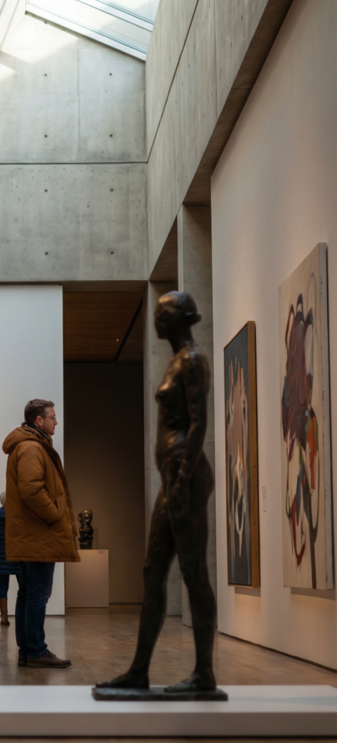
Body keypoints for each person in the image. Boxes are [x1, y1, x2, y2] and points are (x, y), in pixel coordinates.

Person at [97, 292, 218, 694]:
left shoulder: (194, 360)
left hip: (185, 477)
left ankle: (203, 675)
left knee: (193, 573)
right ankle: (139, 672)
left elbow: (198, 425)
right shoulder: (177, 360)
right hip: (173, 479)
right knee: (153, 571)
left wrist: (182, 481)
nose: (156, 319)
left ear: (179, 318)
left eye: (163, 313)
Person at [3, 399, 79, 668]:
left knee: (29, 593)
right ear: (39, 421)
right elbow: (32, 489)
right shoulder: (32, 447)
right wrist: (55, 515)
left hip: (32, 534)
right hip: (39, 534)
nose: (56, 421)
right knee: (37, 594)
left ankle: (28, 650)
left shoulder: (29, 445)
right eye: (53, 417)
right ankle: (35, 651)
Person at [0, 492, 19, 625]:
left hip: (1, 556)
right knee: (23, 586)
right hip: (17, 555)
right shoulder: (17, 517)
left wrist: (0, 546)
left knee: (3, 586)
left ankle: (4, 618)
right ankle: (22, 616)